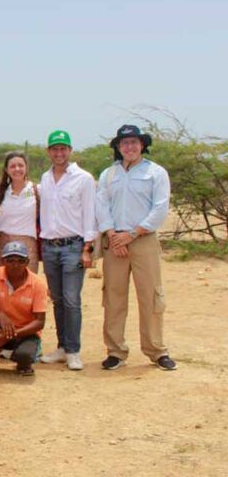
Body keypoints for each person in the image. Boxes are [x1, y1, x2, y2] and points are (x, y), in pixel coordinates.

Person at [96, 124, 176, 371]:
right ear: (118, 148)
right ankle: (116, 351)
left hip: (143, 241)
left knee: (151, 297)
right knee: (113, 297)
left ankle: (156, 350)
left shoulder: (156, 173)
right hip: (115, 243)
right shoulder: (108, 174)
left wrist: (131, 235)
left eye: (134, 142)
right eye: (124, 143)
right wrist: (113, 234)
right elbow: (101, 206)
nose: (129, 147)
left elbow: (160, 208)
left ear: (142, 145)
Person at [38, 130, 97, 371]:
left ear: (70, 150)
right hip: (50, 247)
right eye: (55, 148)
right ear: (48, 151)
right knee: (58, 300)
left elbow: (90, 215)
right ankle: (62, 347)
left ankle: (74, 350)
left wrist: (87, 249)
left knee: (72, 299)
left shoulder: (83, 178)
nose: (59, 153)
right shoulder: (45, 178)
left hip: (73, 246)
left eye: (63, 148)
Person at [0, 241, 48, 378]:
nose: (15, 265)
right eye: (10, 260)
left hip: (25, 333)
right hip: (1, 328)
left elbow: (39, 322)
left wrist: (11, 335)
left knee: (24, 356)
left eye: (20, 261)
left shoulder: (38, 284)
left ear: (28, 262)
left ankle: (24, 362)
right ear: (2, 261)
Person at [0, 151, 39, 272]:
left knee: (27, 287)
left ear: (26, 167)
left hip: (28, 247)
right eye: (12, 166)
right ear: (6, 170)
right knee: (3, 287)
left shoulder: (37, 190)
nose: (17, 169)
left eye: (20, 165)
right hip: (3, 246)